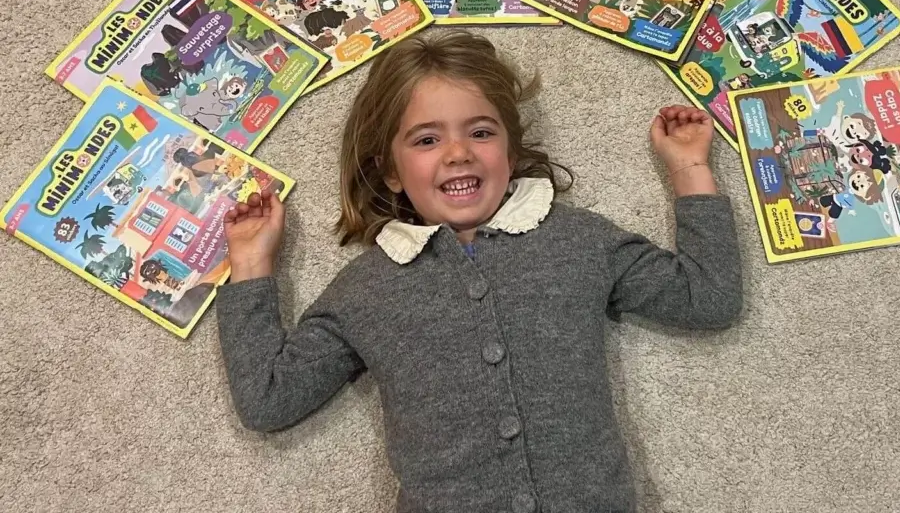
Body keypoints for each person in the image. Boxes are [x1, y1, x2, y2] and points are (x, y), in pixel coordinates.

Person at [217, 31, 743, 513]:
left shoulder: (579, 240)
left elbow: (708, 298)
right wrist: (251, 264)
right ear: (392, 172)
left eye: (481, 132)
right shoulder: (366, 289)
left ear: (510, 153)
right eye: (426, 140)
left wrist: (689, 169)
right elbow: (269, 400)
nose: (458, 153)